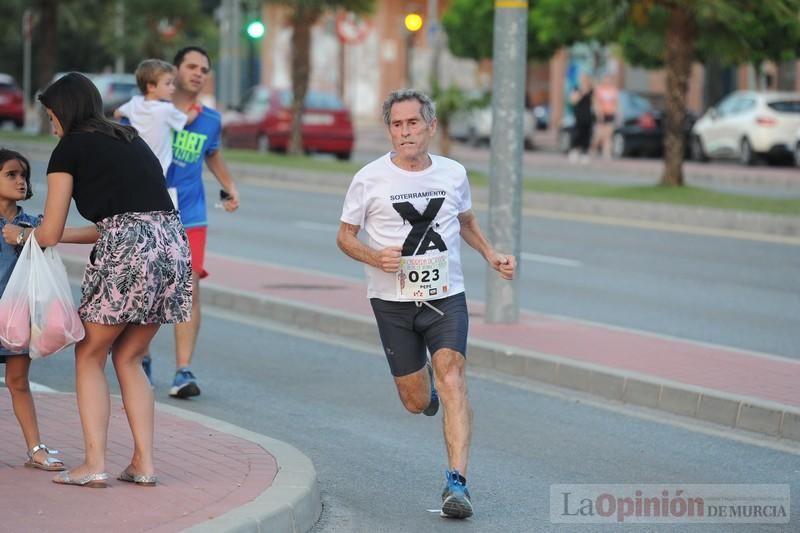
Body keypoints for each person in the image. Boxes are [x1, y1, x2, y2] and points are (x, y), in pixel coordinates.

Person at [336, 89, 516, 519]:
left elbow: (466, 221)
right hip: (392, 301)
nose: (405, 132)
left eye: (412, 123)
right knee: (415, 400)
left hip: (445, 295)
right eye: (397, 125)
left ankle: (457, 482)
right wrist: (374, 256)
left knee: (452, 375)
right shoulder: (369, 178)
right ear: (389, 131)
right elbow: (344, 236)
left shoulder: (453, 173)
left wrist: (491, 254)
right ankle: (426, 395)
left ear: (430, 126)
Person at [33, 72, 192, 488]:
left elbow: (48, 233)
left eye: (51, 115)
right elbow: (120, 221)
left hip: (127, 253)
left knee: (89, 354)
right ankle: (144, 463)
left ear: (62, 111)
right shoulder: (129, 138)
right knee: (130, 356)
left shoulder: (68, 149)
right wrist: (55, 233)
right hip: (171, 245)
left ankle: (93, 464)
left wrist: (25, 234)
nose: (51, 124)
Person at [139, 46, 239, 399]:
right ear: (175, 70)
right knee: (146, 289)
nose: (198, 73)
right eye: (192, 66)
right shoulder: (148, 112)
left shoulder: (210, 119)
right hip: (148, 212)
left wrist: (228, 187)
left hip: (191, 215)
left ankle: (183, 371)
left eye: (204, 69)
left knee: (189, 287)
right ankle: (142, 361)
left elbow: (211, 152)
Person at [0, 149, 65, 473]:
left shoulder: (33, 224)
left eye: (23, 175)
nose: (21, 181)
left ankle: (35, 449)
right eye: (11, 174)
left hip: (18, 317)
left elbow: (52, 242)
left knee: (18, 381)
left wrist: (26, 237)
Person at [113, 58, 199, 208]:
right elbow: (188, 120)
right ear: (151, 87)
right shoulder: (166, 109)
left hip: (136, 166)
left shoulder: (135, 103)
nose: (172, 87)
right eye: (168, 83)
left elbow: (117, 113)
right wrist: (197, 108)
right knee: (159, 209)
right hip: (158, 170)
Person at [591, 74, 619, 159]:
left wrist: (617, 113)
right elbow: (596, 103)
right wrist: (599, 114)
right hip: (601, 115)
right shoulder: (599, 89)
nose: (608, 81)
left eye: (609, 80)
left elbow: (616, 103)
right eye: (606, 79)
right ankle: (592, 151)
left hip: (610, 114)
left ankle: (606, 153)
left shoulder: (613, 90)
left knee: (608, 135)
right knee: (598, 135)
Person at [568, 73, 593, 163]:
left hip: (589, 116)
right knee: (577, 134)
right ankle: (574, 151)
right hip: (578, 116)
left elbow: (596, 102)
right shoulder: (576, 89)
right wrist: (581, 92)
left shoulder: (591, 90)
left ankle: (584, 153)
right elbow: (572, 101)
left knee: (587, 135)